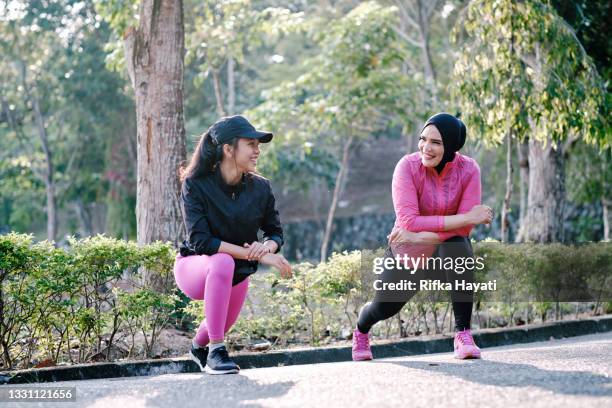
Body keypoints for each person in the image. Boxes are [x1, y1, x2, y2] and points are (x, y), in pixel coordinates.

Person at [352, 113, 493, 361]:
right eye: (423, 139)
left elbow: (464, 230)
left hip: (443, 253)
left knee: (459, 248)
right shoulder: (406, 166)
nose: (426, 148)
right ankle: (361, 330)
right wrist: (466, 218)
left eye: (436, 143)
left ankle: (463, 334)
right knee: (384, 307)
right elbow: (409, 222)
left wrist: (420, 236)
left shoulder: (469, 169)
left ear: (450, 146)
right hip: (408, 254)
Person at [174, 115, 292, 375]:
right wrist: (257, 256)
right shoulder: (196, 184)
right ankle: (217, 351)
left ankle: (199, 347)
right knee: (222, 261)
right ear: (228, 149)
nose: (257, 150)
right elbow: (201, 241)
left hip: (236, 272)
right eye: (250, 144)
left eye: (257, 144)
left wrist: (267, 249)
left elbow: (274, 232)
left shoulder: (261, 188)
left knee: (220, 320)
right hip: (193, 268)